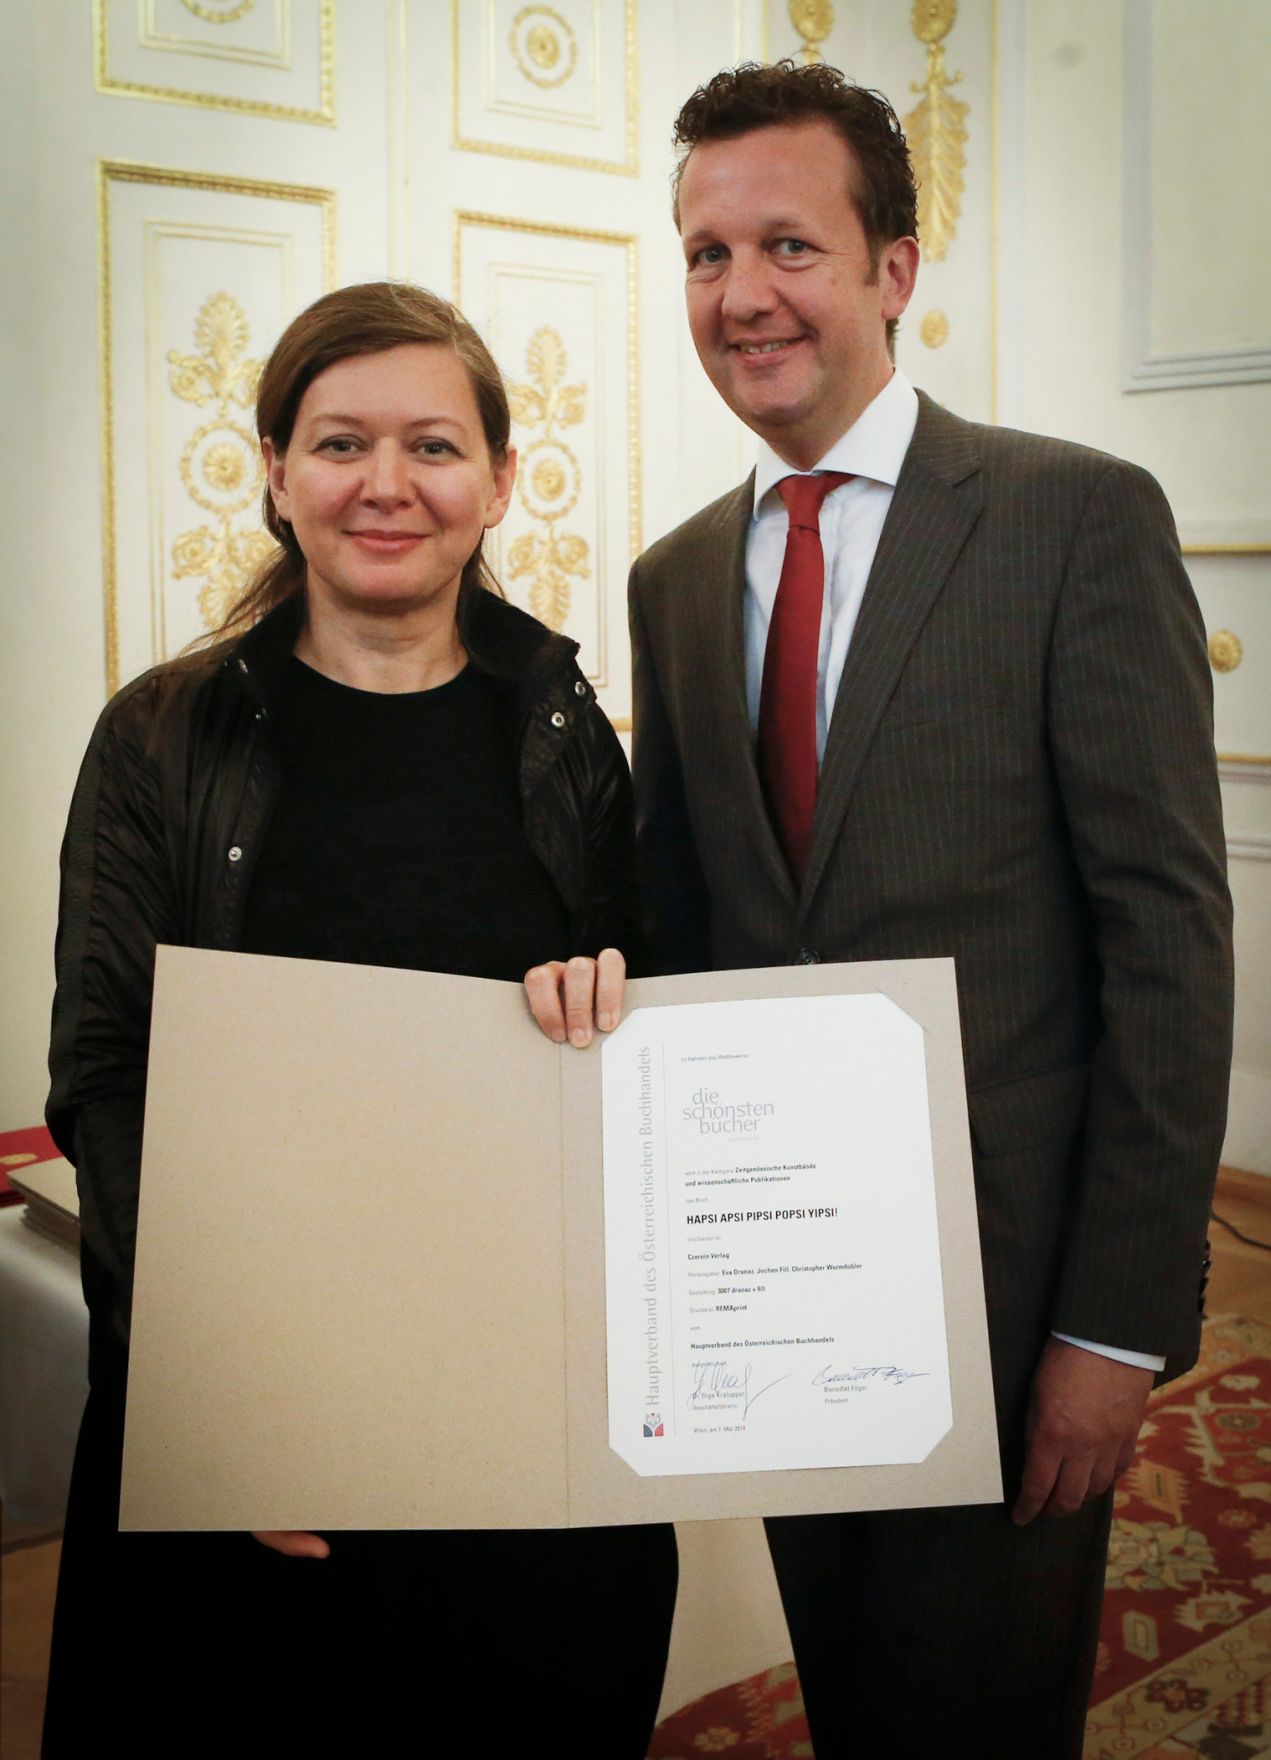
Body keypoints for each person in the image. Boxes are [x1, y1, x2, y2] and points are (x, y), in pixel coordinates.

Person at [626, 59, 1232, 1760]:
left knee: (983, 1716)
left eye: (789, 246)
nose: (741, 294)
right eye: (704, 253)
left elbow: (1170, 949)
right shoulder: (676, 579)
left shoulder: (1073, 518)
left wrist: (1113, 1327)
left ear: (894, 269)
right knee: (852, 1697)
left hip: (1018, 1306)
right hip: (780, 1307)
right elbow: (683, 930)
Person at [44, 280, 676, 1758]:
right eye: (340, 443)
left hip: (518, 1405)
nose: (387, 483)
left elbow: (632, 1026)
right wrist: (220, 1399)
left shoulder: (567, 728)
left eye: (433, 446)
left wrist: (608, 1009)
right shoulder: (160, 735)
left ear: (500, 481)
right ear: (276, 473)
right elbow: (106, 1079)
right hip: (252, 1405)